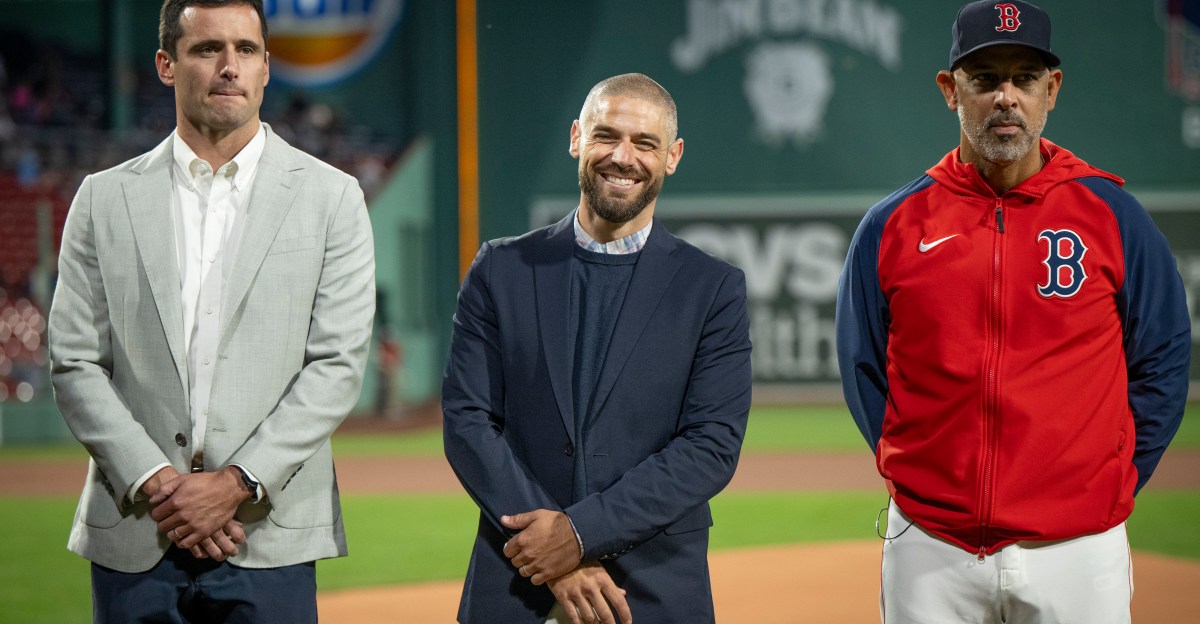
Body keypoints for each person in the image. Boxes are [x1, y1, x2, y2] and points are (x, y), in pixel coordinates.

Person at [836, 1, 1191, 622]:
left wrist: (1107, 480)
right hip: (931, 547)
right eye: (984, 79)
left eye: (1024, 78)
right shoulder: (892, 226)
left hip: (1079, 547)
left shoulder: (1113, 217)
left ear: (1051, 90)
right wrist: (922, 481)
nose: (1006, 97)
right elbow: (863, 366)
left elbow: (1162, 359)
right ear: (951, 90)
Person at [47, 1, 375, 621]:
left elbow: (335, 365)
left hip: (265, 533)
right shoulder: (103, 199)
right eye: (206, 50)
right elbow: (73, 362)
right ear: (167, 65)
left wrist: (232, 485)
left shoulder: (332, 198)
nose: (229, 66)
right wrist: (158, 483)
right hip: (139, 529)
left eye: (245, 50)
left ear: (267, 67)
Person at [442, 73, 752, 624]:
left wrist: (579, 535)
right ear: (576, 138)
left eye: (645, 143)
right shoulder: (502, 268)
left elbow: (711, 445)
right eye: (606, 135)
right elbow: (468, 419)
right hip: (517, 574)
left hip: (655, 583)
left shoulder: (712, 289)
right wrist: (553, 556)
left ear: (673, 156)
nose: (622, 157)